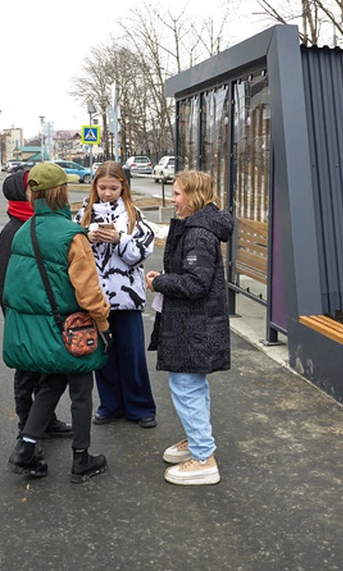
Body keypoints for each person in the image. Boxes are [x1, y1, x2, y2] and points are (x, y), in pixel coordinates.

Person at [2, 162, 111, 483]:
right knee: (81, 391)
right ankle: (81, 460)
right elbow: (89, 294)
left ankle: (24, 450)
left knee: (50, 385)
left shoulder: (24, 230)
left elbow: (15, 288)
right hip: (72, 330)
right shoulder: (72, 236)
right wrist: (103, 325)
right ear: (63, 191)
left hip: (41, 332)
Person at [145, 170, 234, 486]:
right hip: (192, 324)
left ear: (194, 196)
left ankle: (203, 458)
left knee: (186, 387)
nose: (173, 198)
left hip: (192, 326)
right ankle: (197, 442)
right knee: (192, 385)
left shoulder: (198, 233)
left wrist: (160, 282)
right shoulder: (198, 228)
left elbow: (196, 284)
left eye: (178, 193)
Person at [75, 161, 157, 428]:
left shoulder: (134, 216)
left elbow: (140, 254)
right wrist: (89, 238)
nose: (108, 193)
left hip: (128, 298)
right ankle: (110, 405)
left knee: (132, 354)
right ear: (95, 186)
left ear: (123, 186)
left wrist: (119, 240)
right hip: (96, 300)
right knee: (103, 355)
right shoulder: (82, 216)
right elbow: (72, 252)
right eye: (102, 188)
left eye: (113, 187)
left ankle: (140, 406)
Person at [0, 170, 72, 441]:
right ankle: (27, 429)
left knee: (45, 371)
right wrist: (15, 319)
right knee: (27, 373)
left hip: (41, 315)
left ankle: (46, 421)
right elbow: (3, 282)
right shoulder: (14, 231)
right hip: (25, 318)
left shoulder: (35, 225)